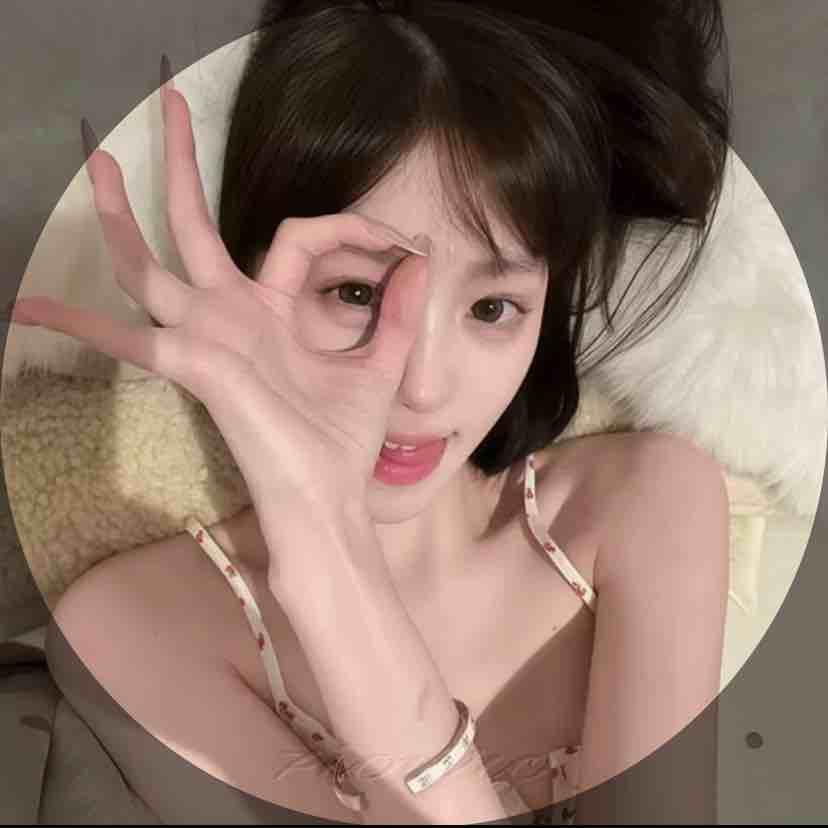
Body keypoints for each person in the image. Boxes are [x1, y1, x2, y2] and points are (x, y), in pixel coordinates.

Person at [11, 0, 731, 823]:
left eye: (492, 308)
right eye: (355, 292)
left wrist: (336, 558)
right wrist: (318, 539)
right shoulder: (136, 628)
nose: (421, 386)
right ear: (245, 274)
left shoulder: (643, 506)